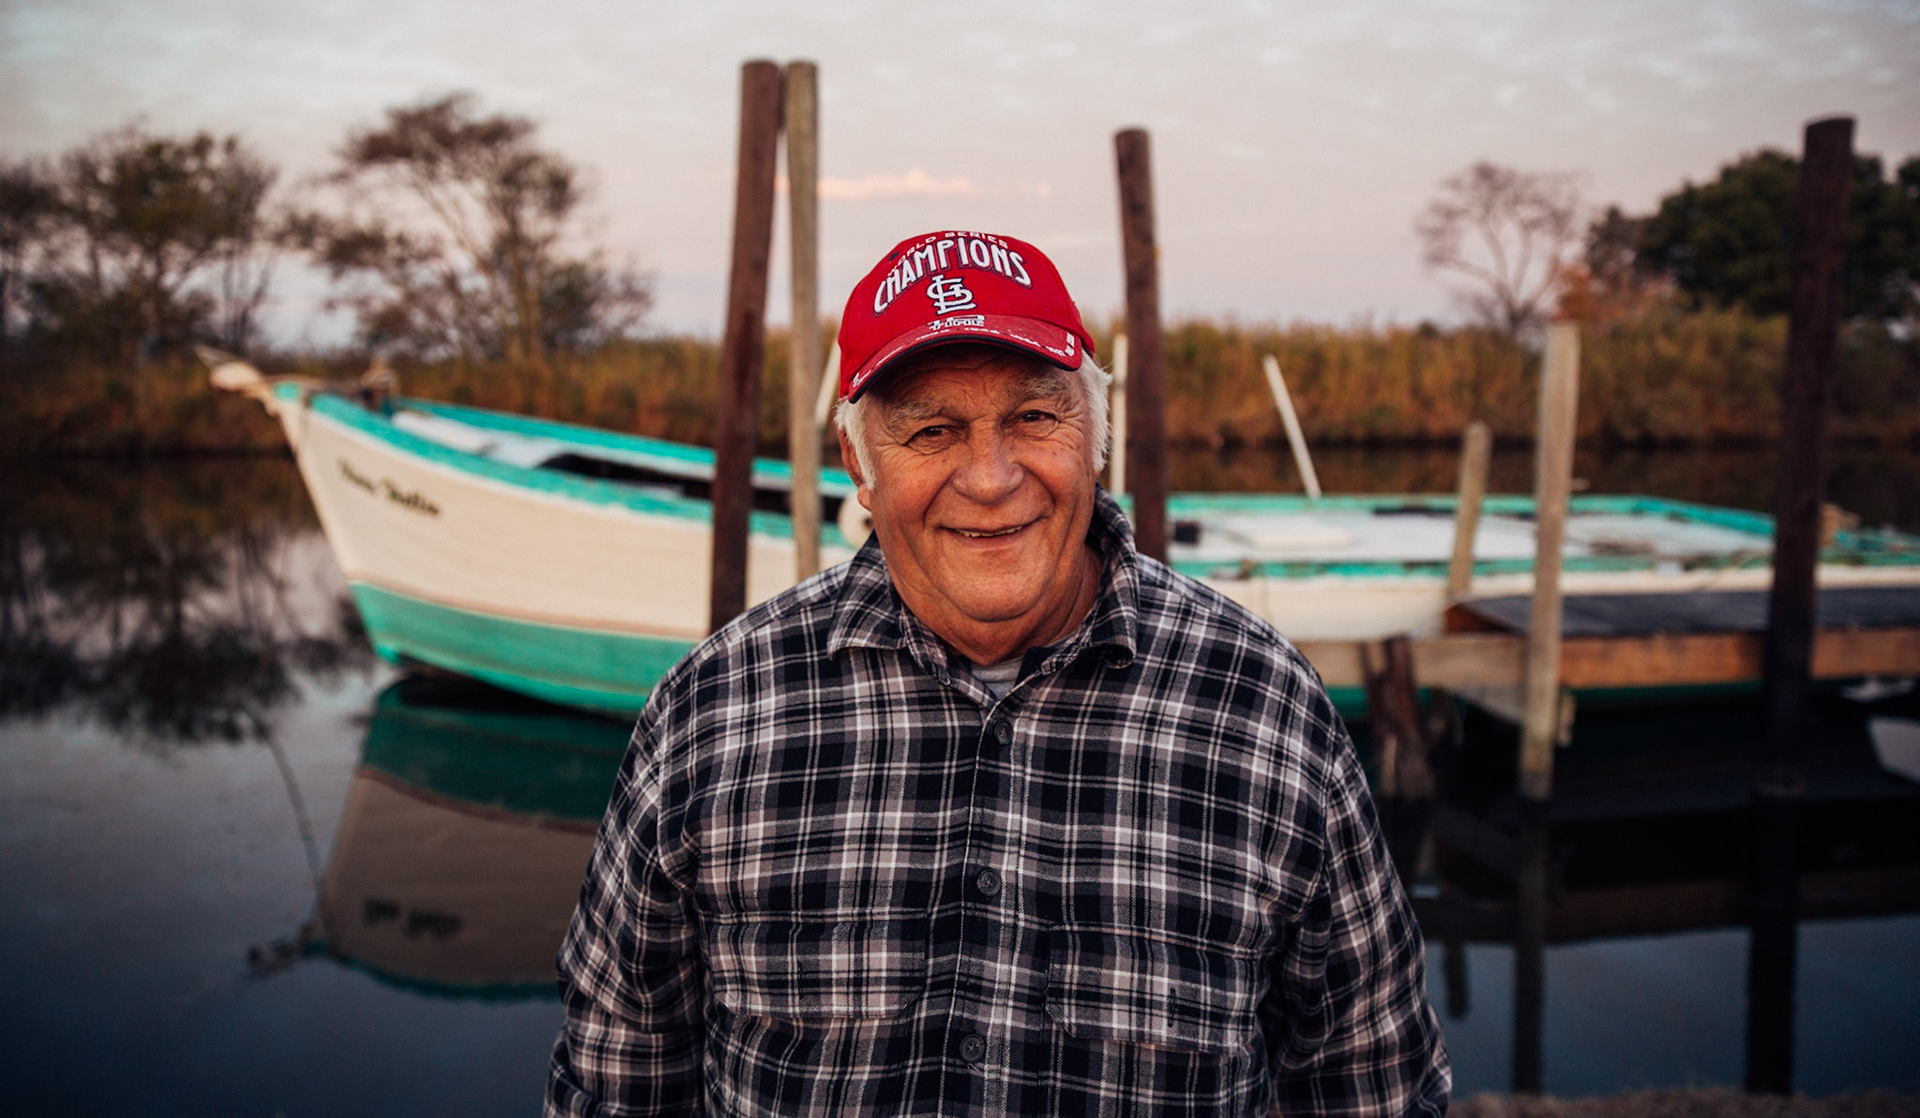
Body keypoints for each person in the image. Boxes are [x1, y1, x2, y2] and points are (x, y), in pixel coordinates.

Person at [546, 230, 1450, 1117]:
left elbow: (1369, 1080)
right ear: (859, 463)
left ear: (1096, 434)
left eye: (1033, 417)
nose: (989, 478)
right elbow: (618, 1075)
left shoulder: (1264, 707)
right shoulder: (713, 712)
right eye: (932, 430)